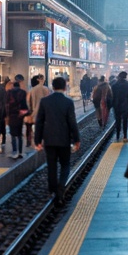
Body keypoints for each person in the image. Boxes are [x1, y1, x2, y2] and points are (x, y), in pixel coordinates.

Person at [34, 76, 80, 207]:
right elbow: (72, 122)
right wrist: (77, 139)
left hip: (49, 140)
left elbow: (39, 122)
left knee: (52, 165)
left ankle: (52, 189)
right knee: (65, 165)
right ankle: (61, 186)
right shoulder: (68, 102)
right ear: (65, 87)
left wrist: (37, 140)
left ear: (52, 88)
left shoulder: (45, 101)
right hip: (64, 140)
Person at [6, 75, 29, 158]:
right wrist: (26, 113)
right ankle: (20, 152)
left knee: (12, 135)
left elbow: (7, 105)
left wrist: (7, 115)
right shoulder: (23, 93)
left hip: (11, 115)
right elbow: (24, 105)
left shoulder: (8, 93)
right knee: (19, 134)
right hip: (20, 116)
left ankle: (14, 151)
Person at [25, 75, 50, 148]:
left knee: (30, 128)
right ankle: (43, 141)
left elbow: (28, 102)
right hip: (45, 113)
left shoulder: (31, 90)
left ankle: (30, 142)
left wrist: (29, 112)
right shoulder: (46, 89)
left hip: (34, 113)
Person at [111, 70, 128, 141]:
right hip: (125, 105)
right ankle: (125, 136)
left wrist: (112, 104)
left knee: (117, 121)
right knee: (125, 121)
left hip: (116, 105)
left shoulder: (114, 85)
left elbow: (112, 96)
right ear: (125, 77)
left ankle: (117, 135)